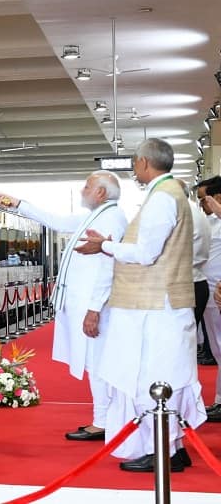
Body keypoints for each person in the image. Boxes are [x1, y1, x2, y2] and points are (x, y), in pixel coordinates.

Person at [75, 138, 206, 472]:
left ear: (145, 162)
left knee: (151, 377)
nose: (135, 169)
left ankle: (162, 449)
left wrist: (105, 247)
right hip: (163, 304)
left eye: (135, 163)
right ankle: (172, 446)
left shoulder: (162, 198)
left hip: (156, 306)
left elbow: (145, 253)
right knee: (167, 375)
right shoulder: (171, 194)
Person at [0, 170, 127, 441]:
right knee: (94, 363)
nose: (82, 191)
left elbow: (107, 267)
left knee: (98, 364)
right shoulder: (97, 215)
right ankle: (105, 419)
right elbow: (57, 221)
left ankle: (105, 422)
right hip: (87, 303)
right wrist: (18, 203)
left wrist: (94, 309)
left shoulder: (110, 218)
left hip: (95, 305)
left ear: (101, 192)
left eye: (87, 186)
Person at [194, 179, 221, 421]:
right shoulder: (209, 222)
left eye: (204, 199)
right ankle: (220, 399)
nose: (203, 204)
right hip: (209, 290)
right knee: (218, 348)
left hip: (218, 289)